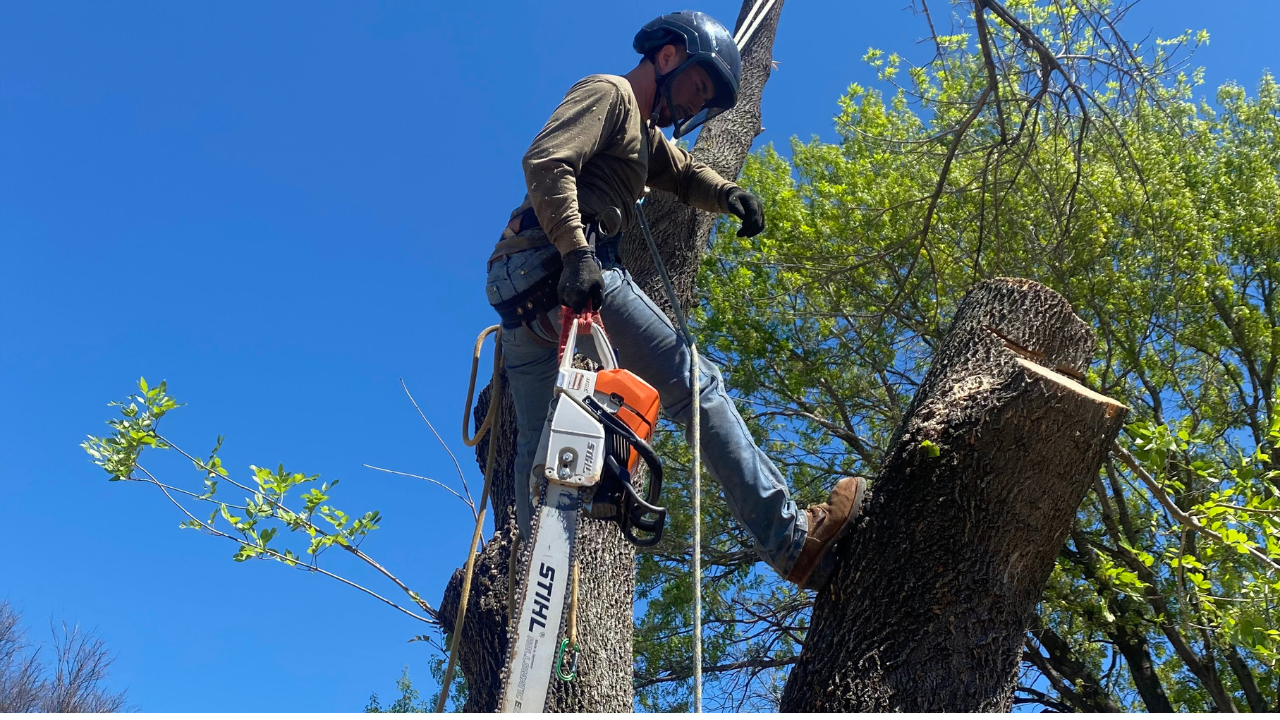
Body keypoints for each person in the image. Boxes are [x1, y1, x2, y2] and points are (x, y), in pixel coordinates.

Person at [484, 11, 864, 589]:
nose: (691, 106)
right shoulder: (609, 94)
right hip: (563, 262)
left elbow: (684, 174)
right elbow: (548, 160)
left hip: (521, 299)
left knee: (536, 456)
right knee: (697, 385)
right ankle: (792, 541)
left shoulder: (643, 138)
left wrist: (729, 194)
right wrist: (577, 252)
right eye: (696, 86)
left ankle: (525, 586)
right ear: (667, 56)